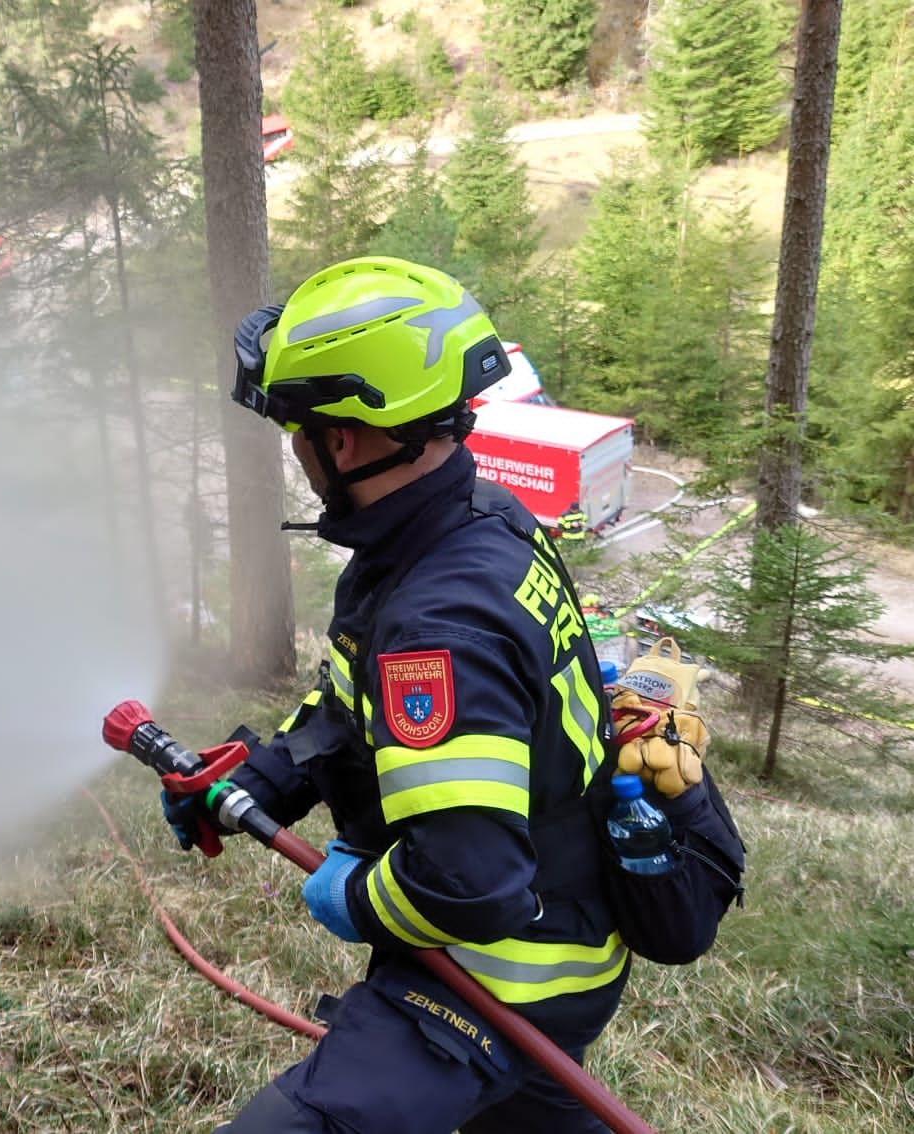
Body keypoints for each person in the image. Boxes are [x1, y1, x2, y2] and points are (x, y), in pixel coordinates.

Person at [169, 257, 625, 1133]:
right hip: (570, 944)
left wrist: (354, 896)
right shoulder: (472, 522)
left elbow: (468, 886)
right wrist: (269, 775)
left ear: (340, 440)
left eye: (297, 427)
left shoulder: (437, 623)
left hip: (497, 979)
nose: (297, 449)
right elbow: (357, 701)